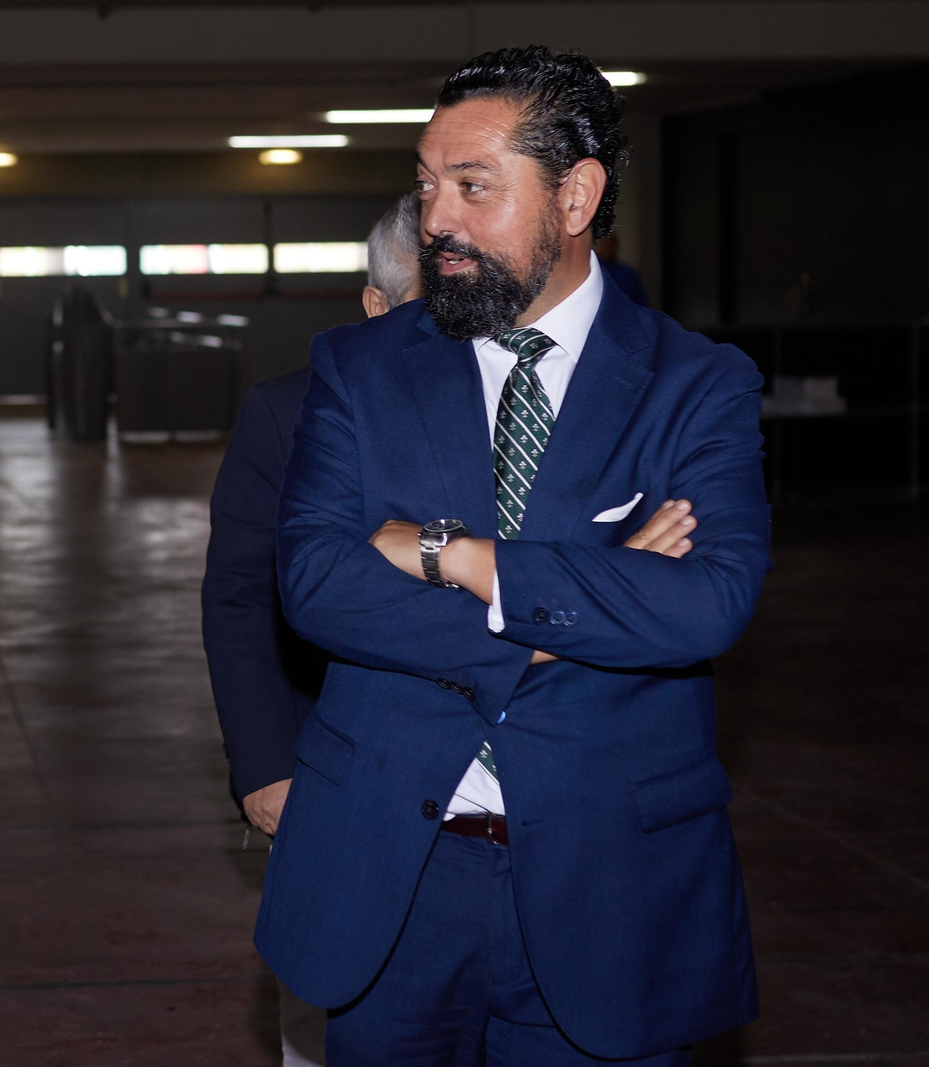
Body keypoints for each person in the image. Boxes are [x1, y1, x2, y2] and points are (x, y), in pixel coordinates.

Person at [256, 46, 768, 1065]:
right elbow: (315, 581)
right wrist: (585, 602)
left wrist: (453, 555)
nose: (435, 219)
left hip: (610, 886)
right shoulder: (359, 366)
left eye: (472, 187)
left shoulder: (696, 384)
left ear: (575, 197)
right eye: (426, 185)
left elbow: (705, 602)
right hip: (395, 877)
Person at [200, 192, 421, 1067]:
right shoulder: (286, 415)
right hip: (334, 766)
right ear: (374, 303)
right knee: (331, 1001)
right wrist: (264, 763)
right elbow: (239, 598)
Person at [597, 231, 650, 307]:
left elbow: (641, 303)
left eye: (609, 245)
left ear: (615, 246)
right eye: (603, 244)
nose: (605, 248)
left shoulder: (628, 274)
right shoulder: (591, 271)